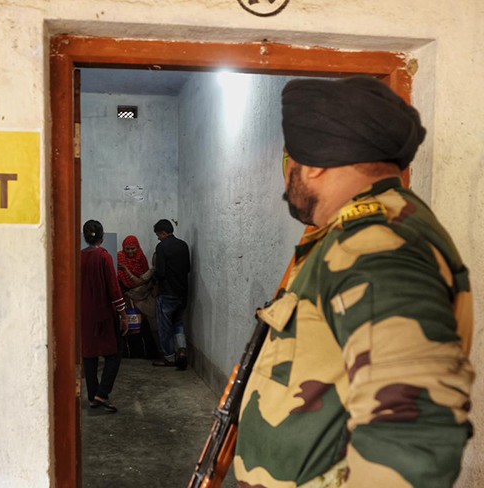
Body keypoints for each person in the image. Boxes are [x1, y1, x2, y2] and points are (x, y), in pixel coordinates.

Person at [233, 76, 474, 487]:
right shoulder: (368, 230)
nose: (287, 175)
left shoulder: (372, 242)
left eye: (291, 160)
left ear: (314, 162)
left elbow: (414, 436)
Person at [80, 219, 129, 413]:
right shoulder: (104, 257)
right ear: (102, 236)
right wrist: (123, 315)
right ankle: (103, 392)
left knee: (89, 355)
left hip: (84, 316)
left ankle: (93, 397)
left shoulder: (78, 257)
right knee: (115, 354)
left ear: (84, 236)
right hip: (104, 316)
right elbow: (114, 289)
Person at [151, 219, 191, 370]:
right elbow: (187, 268)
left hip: (167, 293)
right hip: (182, 292)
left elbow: (160, 272)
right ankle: (181, 351)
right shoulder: (183, 245)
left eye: (158, 235)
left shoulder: (162, 247)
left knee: (165, 326)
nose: (158, 238)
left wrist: (156, 286)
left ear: (163, 232)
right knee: (178, 322)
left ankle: (169, 357)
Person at [117, 235, 160, 359]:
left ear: (138, 247)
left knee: (142, 325)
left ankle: (145, 353)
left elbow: (144, 279)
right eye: (128, 249)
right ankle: (130, 353)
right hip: (126, 297)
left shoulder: (141, 258)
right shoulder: (120, 257)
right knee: (128, 325)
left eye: (133, 248)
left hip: (142, 297)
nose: (130, 251)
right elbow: (119, 278)